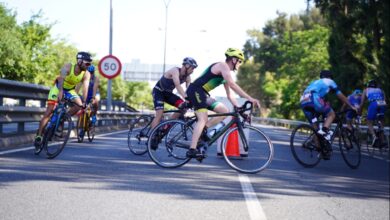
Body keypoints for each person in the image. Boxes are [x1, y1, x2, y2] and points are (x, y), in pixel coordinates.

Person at [185, 48, 260, 158]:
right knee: (203, 118)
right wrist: (250, 98)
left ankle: (203, 130)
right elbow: (233, 85)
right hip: (196, 90)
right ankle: (192, 149)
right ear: (233, 60)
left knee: (225, 111)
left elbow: (230, 95)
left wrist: (238, 108)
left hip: (203, 94)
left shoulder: (226, 74)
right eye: (239, 61)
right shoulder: (222, 66)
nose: (240, 64)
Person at [34, 51, 92, 147]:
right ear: (80, 61)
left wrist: (85, 102)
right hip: (58, 88)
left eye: (90, 64)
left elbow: (85, 88)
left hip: (69, 90)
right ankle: (39, 135)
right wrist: (60, 92)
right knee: (49, 111)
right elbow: (60, 79)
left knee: (79, 105)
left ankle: (62, 119)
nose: (88, 66)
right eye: (87, 63)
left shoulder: (87, 74)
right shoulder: (69, 66)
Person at [300, 70, 358, 159]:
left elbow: (323, 101)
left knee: (316, 128)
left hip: (304, 100)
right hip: (313, 98)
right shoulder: (330, 81)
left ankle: (321, 151)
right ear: (330, 77)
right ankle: (324, 130)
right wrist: (351, 106)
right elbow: (340, 95)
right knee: (331, 114)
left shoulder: (315, 82)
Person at [149, 57, 198, 130]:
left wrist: (193, 99)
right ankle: (151, 136)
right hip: (158, 92)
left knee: (183, 107)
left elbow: (189, 90)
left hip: (168, 94)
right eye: (192, 68)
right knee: (159, 113)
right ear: (186, 66)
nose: (193, 70)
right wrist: (186, 97)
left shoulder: (188, 77)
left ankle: (166, 127)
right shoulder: (175, 71)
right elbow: (178, 86)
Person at [359, 79, 387, 146]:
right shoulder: (381, 90)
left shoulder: (366, 90)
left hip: (374, 103)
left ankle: (374, 137)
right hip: (382, 103)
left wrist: (360, 111)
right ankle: (382, 140)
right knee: (381, 121)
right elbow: (385, 99)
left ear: (368, 85)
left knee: (369, 121)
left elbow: (362, 103)